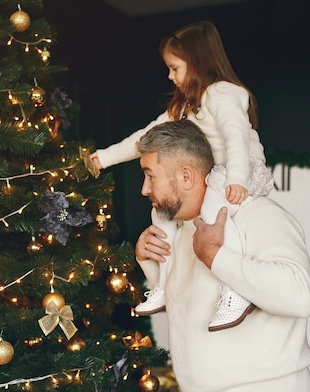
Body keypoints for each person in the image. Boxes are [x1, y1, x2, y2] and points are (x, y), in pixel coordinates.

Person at [90, 21, 274, 331]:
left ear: (198, 62)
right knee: (161, 212)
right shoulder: (184, 106)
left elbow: (236, 137)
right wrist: (104, 158)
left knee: (218, 212)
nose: (170, 76)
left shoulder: (223, 93)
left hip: (238, 170)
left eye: (175, 68)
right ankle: (163, 282)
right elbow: (147, 137)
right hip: (209, 173)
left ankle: (237, 290)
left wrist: (238, 178)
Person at [135, 119, 310, 392]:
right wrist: (149, 262)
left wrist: (216, 256)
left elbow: (300, 295)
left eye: (150, 175)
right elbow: (189, 310)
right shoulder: (187, 231)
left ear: (185, 175)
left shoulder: (256, 214)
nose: (144, 189)